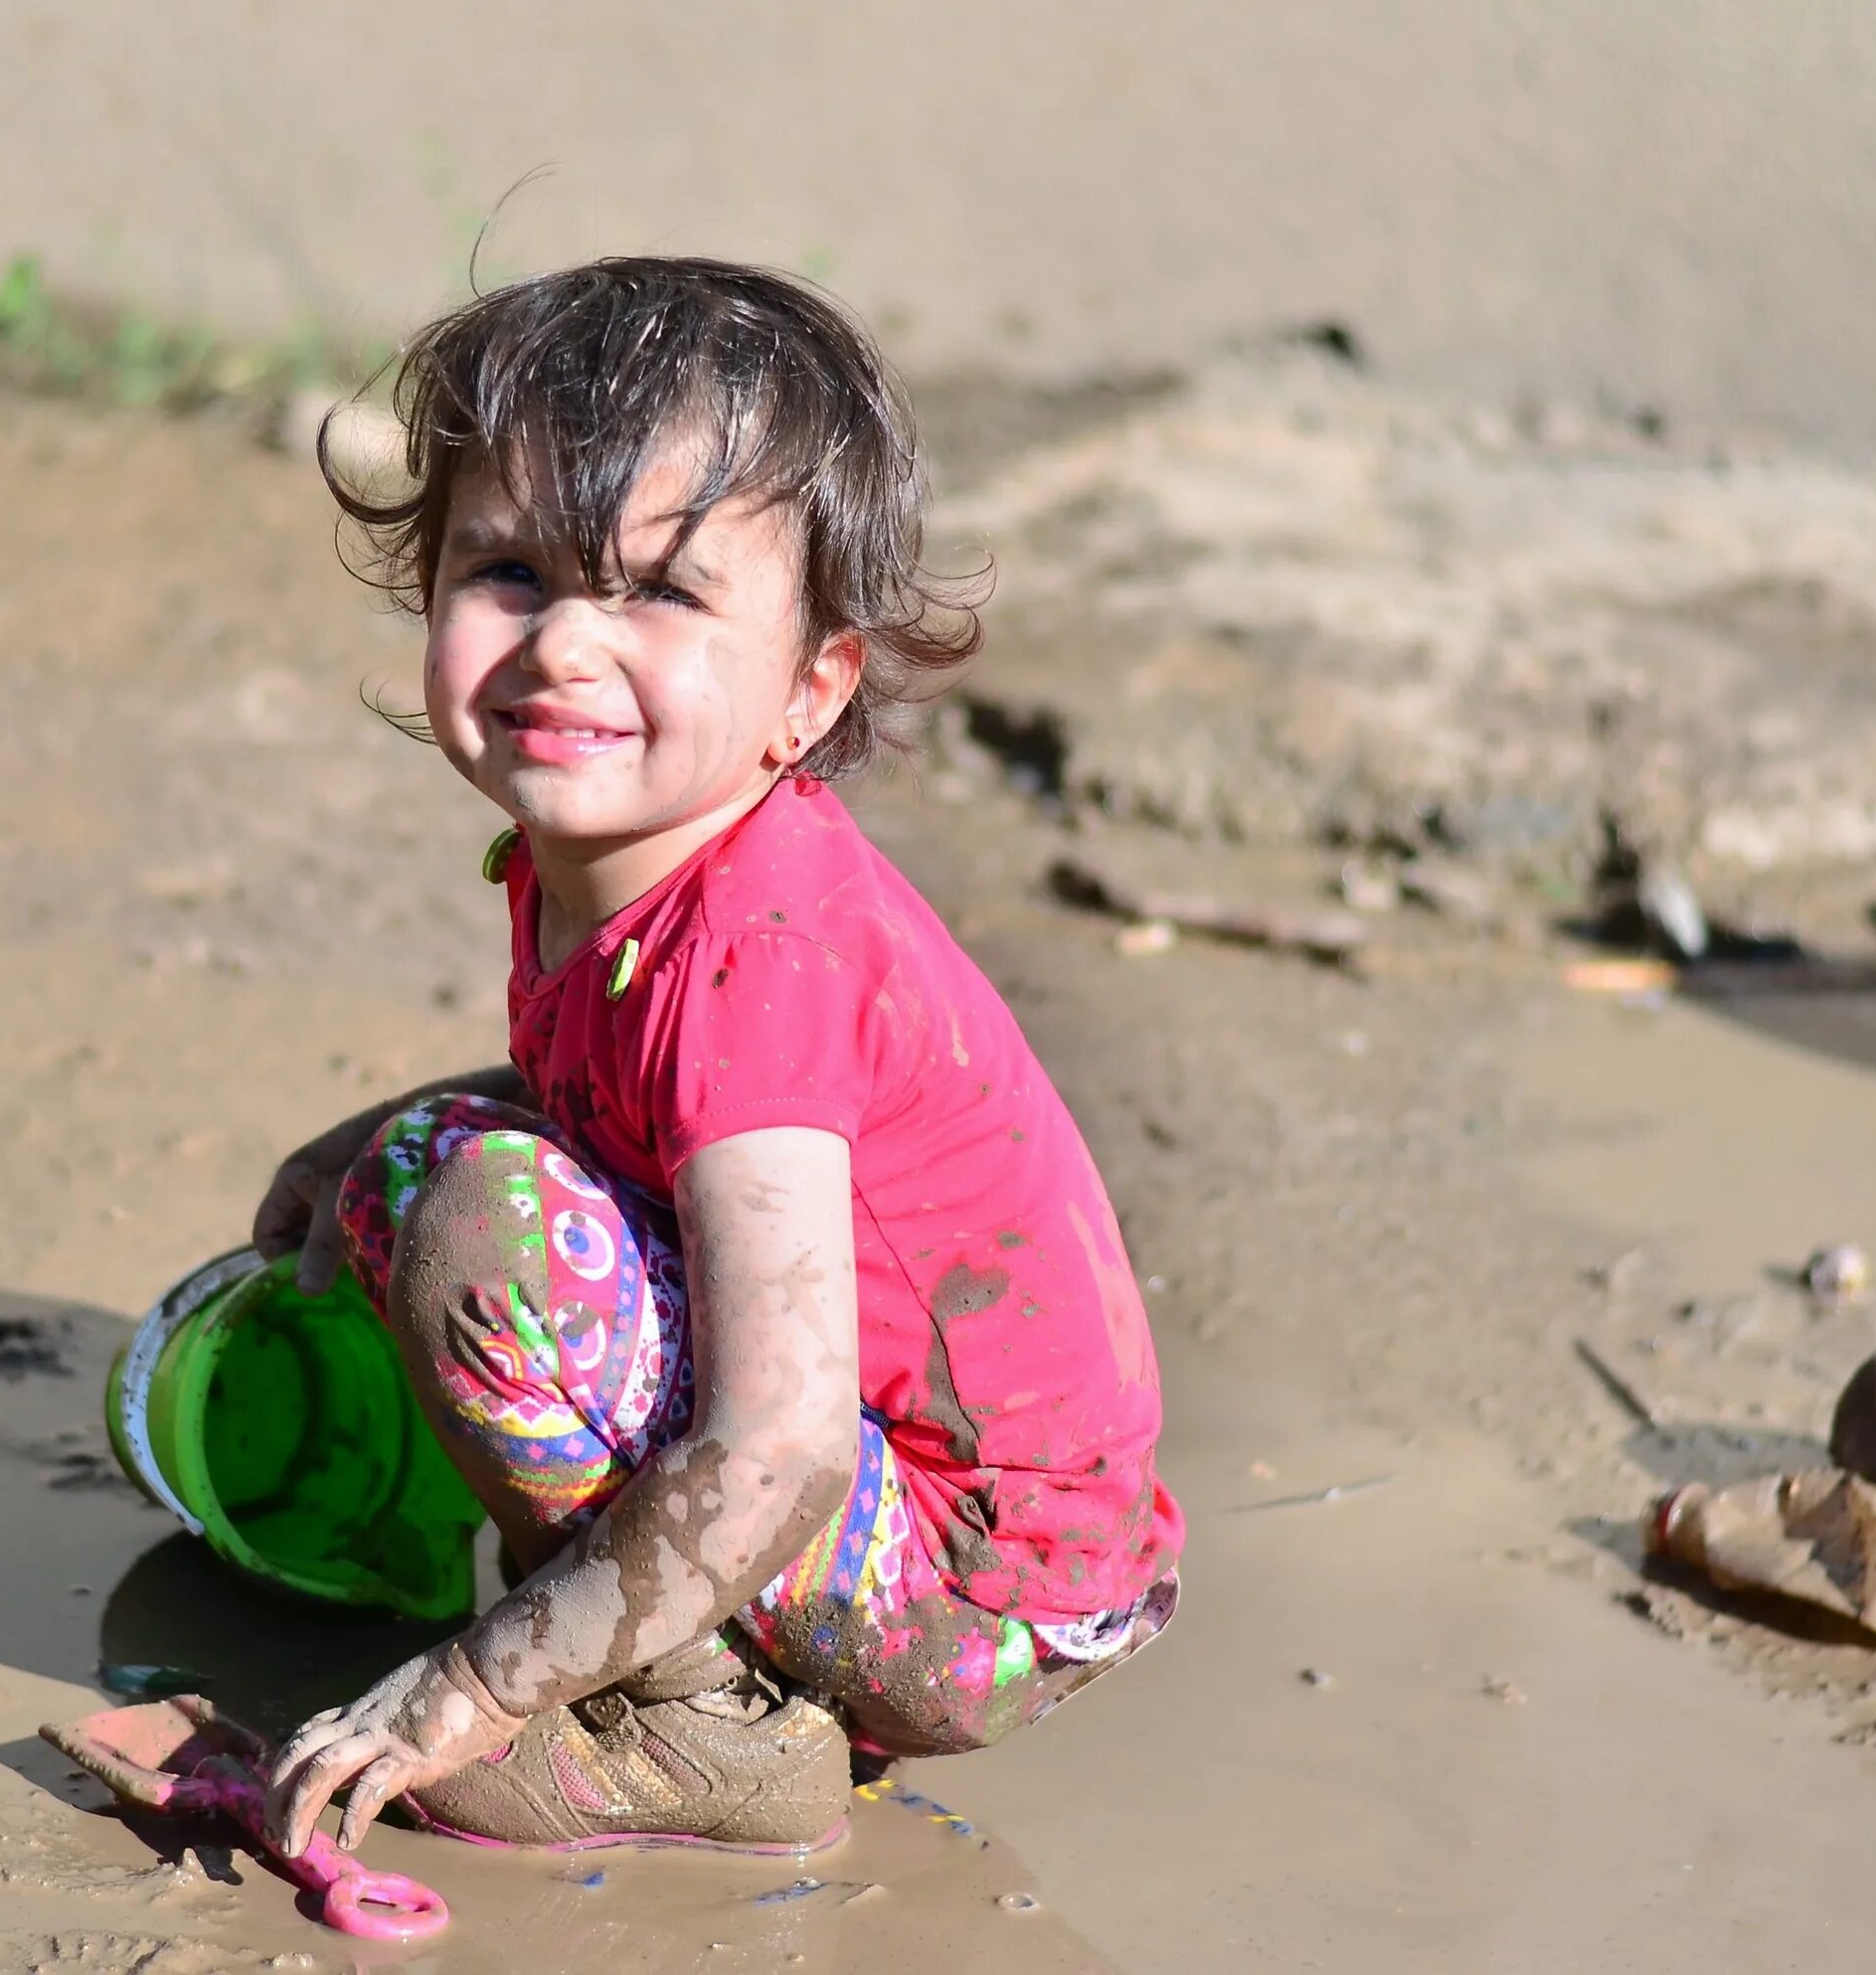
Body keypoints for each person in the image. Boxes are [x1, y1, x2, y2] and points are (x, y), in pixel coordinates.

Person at [254, 257, 1182, 1857]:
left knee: (473, 1222)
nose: (564, 648)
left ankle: (691, 1727)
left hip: (973, 1585)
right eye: (510, 572)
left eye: (663, 593)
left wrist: (471, 1690)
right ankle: (646, 1647)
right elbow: (607, 1100)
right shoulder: (606, 868)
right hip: (924, 1523)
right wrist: (345, 1154)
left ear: (809, 690)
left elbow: (783, 1443)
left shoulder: (759, 952)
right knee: (408, 1169)